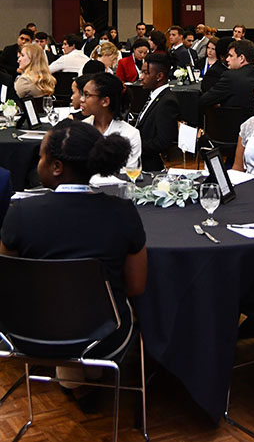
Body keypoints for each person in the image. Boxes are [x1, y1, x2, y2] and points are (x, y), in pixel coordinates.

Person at [0, 119, 147, 394]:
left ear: (57, 167)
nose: (38, 163)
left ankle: (72, 373)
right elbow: (136, 286)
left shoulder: (20, 212)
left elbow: (7, 282)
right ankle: (84, 369)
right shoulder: (123, 212)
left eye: (41, 157)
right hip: (105, 337)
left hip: (29, 335)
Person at [80, 73, 141, 170]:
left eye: (87, 95)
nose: (81, 99)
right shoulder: (81, 129)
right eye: (82, 94)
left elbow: (130, 173)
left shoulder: (130, 134)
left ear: (105, 101)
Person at [137, 53, 180, 171]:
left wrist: (134, 146)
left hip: (150, 167)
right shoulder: (154, 95)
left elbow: (162, 142)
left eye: (146, 73)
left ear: (159, 76)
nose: (141, 77)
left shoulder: (167, 102)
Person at [199, 39, 254, 119]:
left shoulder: (230, 76)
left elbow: (204, 100)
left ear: (241, 58)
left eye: (231, 56)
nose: (227, 59)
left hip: (231, 125)